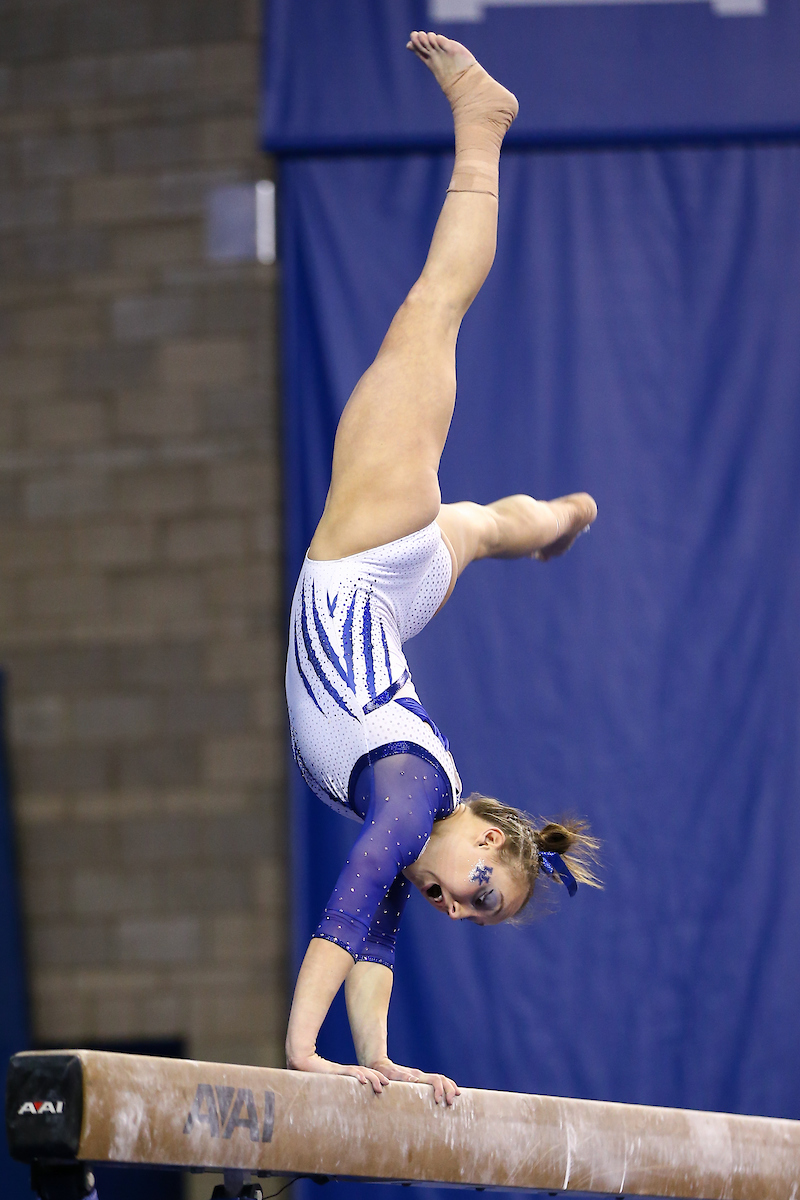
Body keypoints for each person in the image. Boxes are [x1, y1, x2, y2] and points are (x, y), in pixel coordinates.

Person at [284, 31, 600, 1107]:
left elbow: (377, 920)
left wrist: (372, 1059)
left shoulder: (421, 805)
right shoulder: (414, 795)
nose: (455, 908)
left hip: (394, 591)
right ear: (478, 831)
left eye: (473, 913)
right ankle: (482, 129)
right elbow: (359, 889)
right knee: (434, 306)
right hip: (367, 561)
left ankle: (546, 518)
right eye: (478, 886)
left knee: (473, 529)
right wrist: (302, 1048)